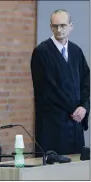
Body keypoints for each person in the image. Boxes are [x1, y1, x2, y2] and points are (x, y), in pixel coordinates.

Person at [31, 9, 90, 156]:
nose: (59, 29)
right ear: (51, 27)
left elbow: (86, 82)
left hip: (75, 124)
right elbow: (47, 89)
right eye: (55, 26)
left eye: (63, 25)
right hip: (53, 125)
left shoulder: (76, 51)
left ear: (71, 26)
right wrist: (74, 109)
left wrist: (84, 107)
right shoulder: (41, 52)